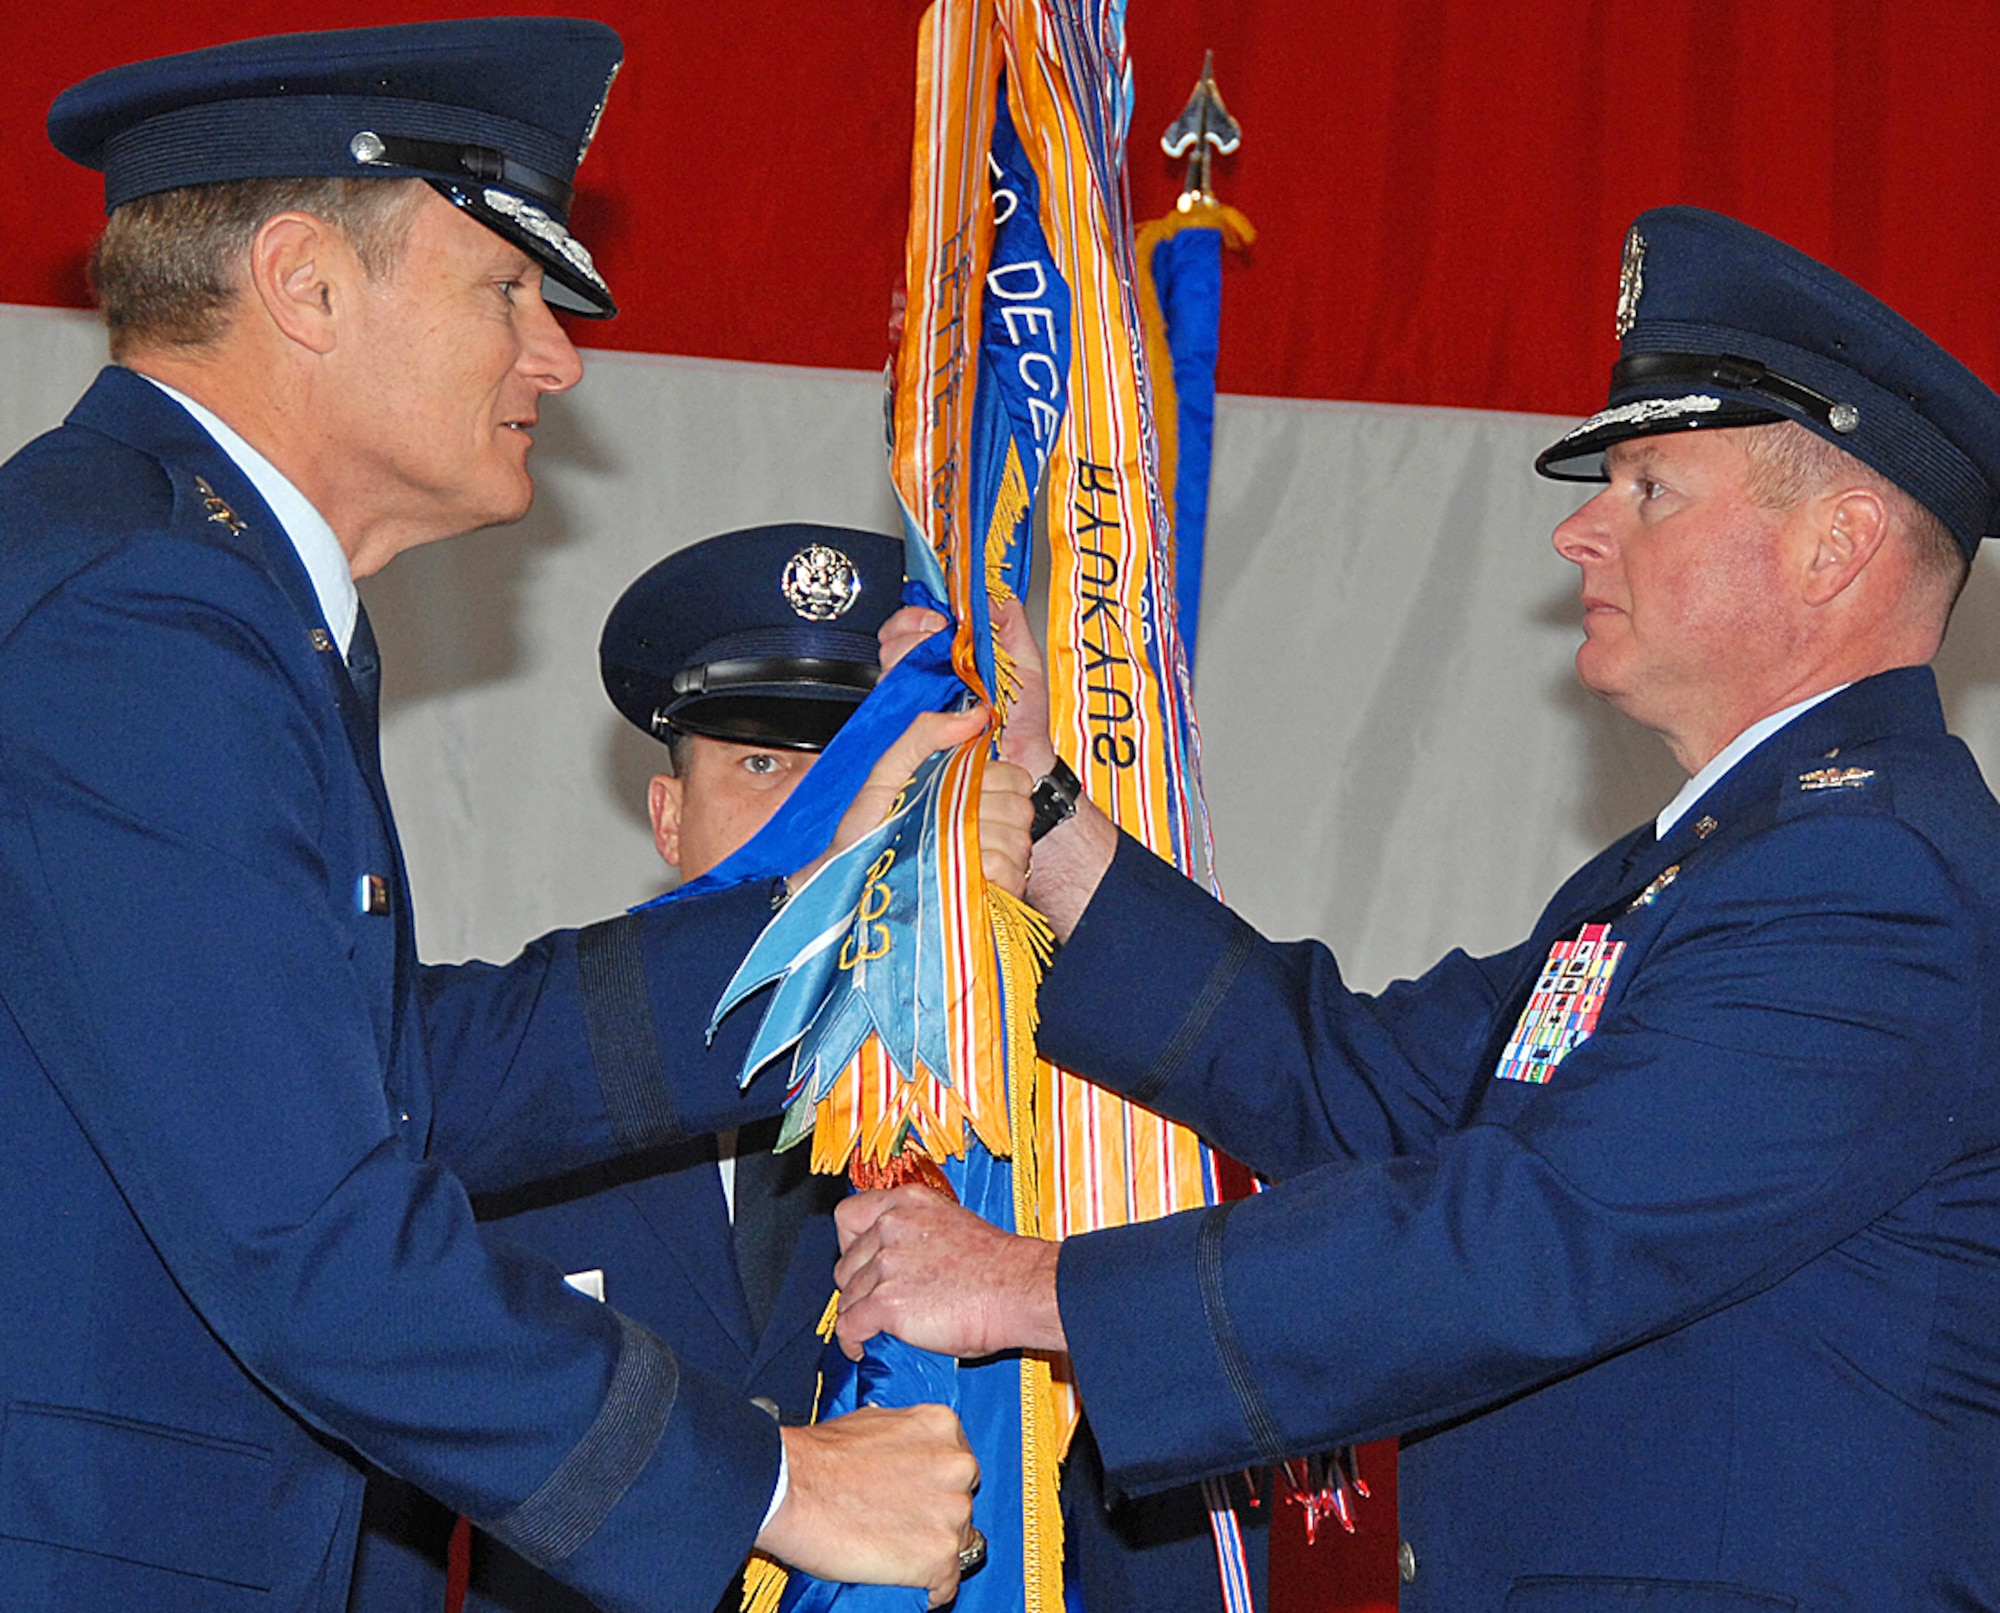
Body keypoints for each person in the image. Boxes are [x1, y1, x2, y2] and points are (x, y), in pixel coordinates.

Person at [832, 205, 2000, 1610]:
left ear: (1837, 548)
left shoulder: (1870, 885)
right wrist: (1046, 813)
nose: (1578, 529)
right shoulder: (1713, 867)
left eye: (1647, 488)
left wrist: (1032, 1288)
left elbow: (1530, 1235)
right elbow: (1367, 1088)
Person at [0, 22, 1031, 1613]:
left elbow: (392, 1077)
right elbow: (307, 1231)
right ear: (306, 282)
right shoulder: (142, 613)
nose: (553, 357)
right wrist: (768, 1478)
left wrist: (826, 902)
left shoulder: (198, 586)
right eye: (507, 290)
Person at [351, 521, 903, 1613]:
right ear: (666, 814)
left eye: (848, 766)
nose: (803, 808)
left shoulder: (992, 1101)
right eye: (756, 762)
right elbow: (397, 1498)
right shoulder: (512, 1088)